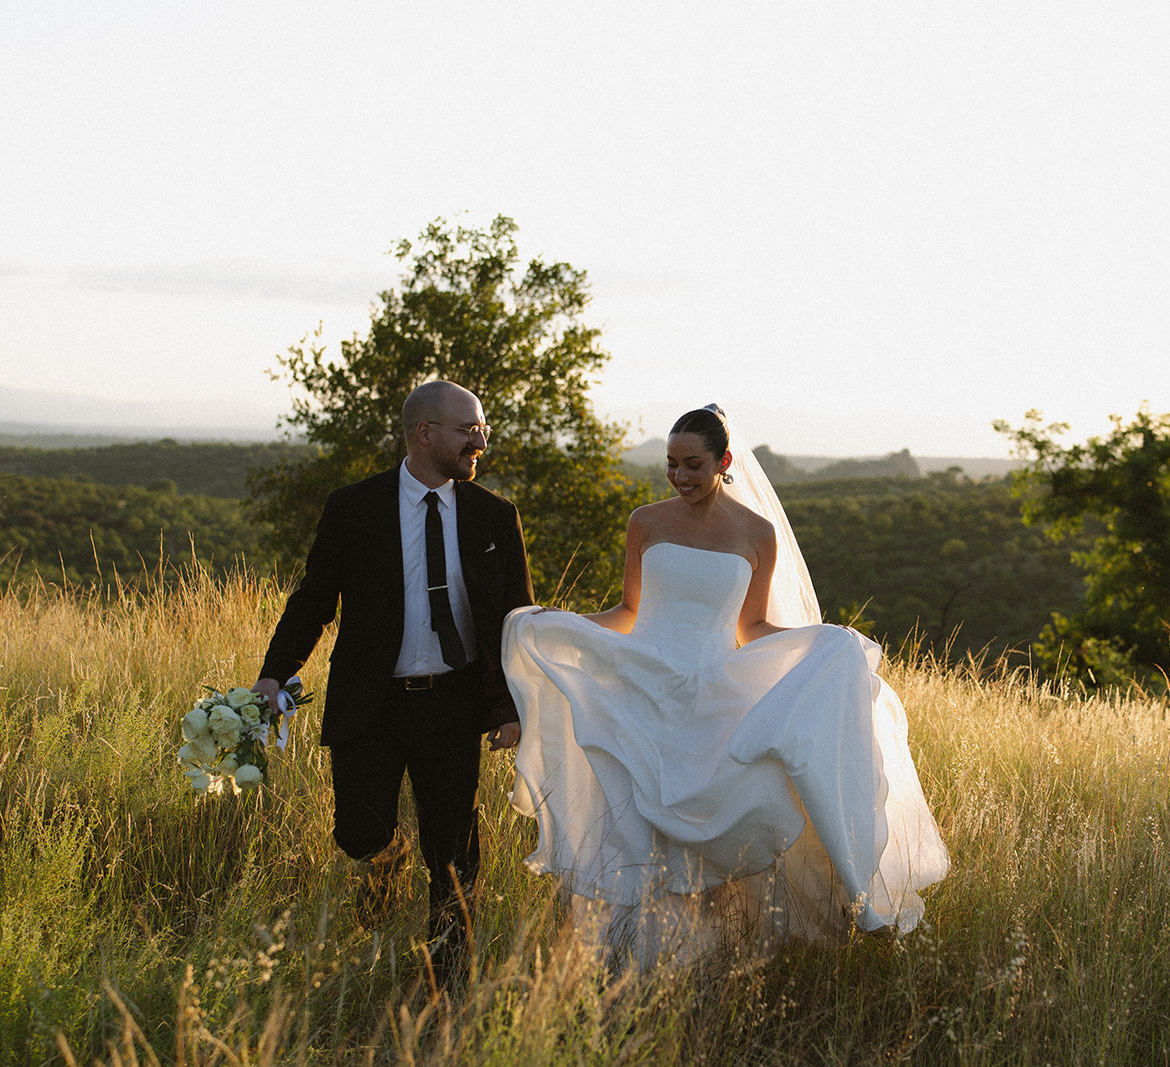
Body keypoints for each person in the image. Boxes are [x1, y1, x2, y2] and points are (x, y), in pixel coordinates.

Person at [502, 405, 949, 967]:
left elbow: (752, 627)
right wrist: (558, 623)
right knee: (637, 819)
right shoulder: (647, 520)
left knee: (708, 819)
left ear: (724, 462)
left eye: (693, 464)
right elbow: (629, 610)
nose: (680, 477)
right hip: (642, 686)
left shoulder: (757, 534)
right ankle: (631, 958)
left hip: (711, 695)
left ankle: (704, 954)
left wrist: (823, 644)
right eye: (671, 464)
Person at [253, 380, 534, 984]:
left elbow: (518, 622)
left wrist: (509, 705)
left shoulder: (494, 516)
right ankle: (387, 862)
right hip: (372, 705)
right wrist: (275, 673)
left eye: (482, 427)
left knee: (454, 856)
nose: (480, 439)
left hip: (455, 706)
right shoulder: (353, 508)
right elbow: (313, 601)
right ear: (424, 433)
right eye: (468, 428)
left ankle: (448, 981)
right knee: (361, 832)